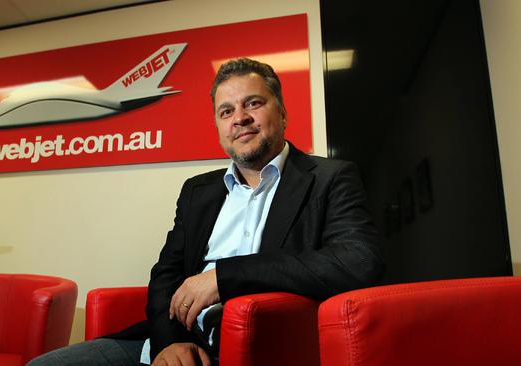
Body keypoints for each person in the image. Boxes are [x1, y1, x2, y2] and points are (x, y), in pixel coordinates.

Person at [28, 58, 383, 366]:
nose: (240, 118)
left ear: (283, 112)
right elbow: (165, 275)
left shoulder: (329, 178)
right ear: (218, 126)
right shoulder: (198, 191)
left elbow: (358, 262)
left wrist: (224, 277)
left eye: (253, 103)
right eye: (226, 111)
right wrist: (169, 343)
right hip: (179, 342)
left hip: (264, 348)